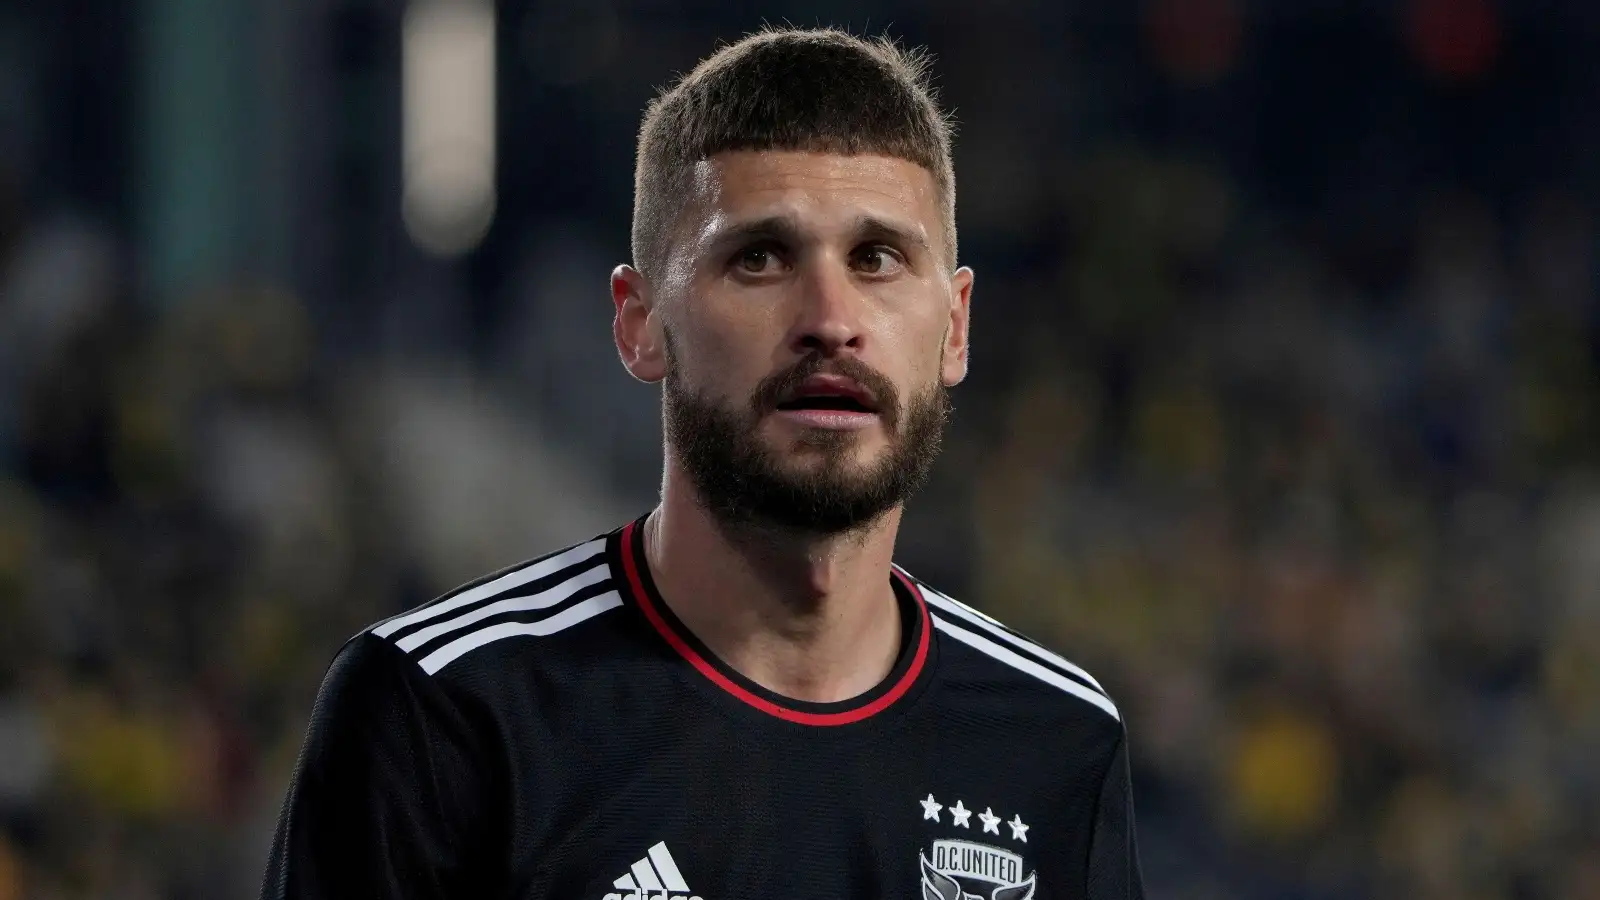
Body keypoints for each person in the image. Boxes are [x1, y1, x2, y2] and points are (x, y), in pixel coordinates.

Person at [261, 27, 1142, 900]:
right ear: (640, 322)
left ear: (955, 327)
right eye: (759, 258)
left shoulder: (1057, 738)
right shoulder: (443, 715)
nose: (831, 317)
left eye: (878, 259)